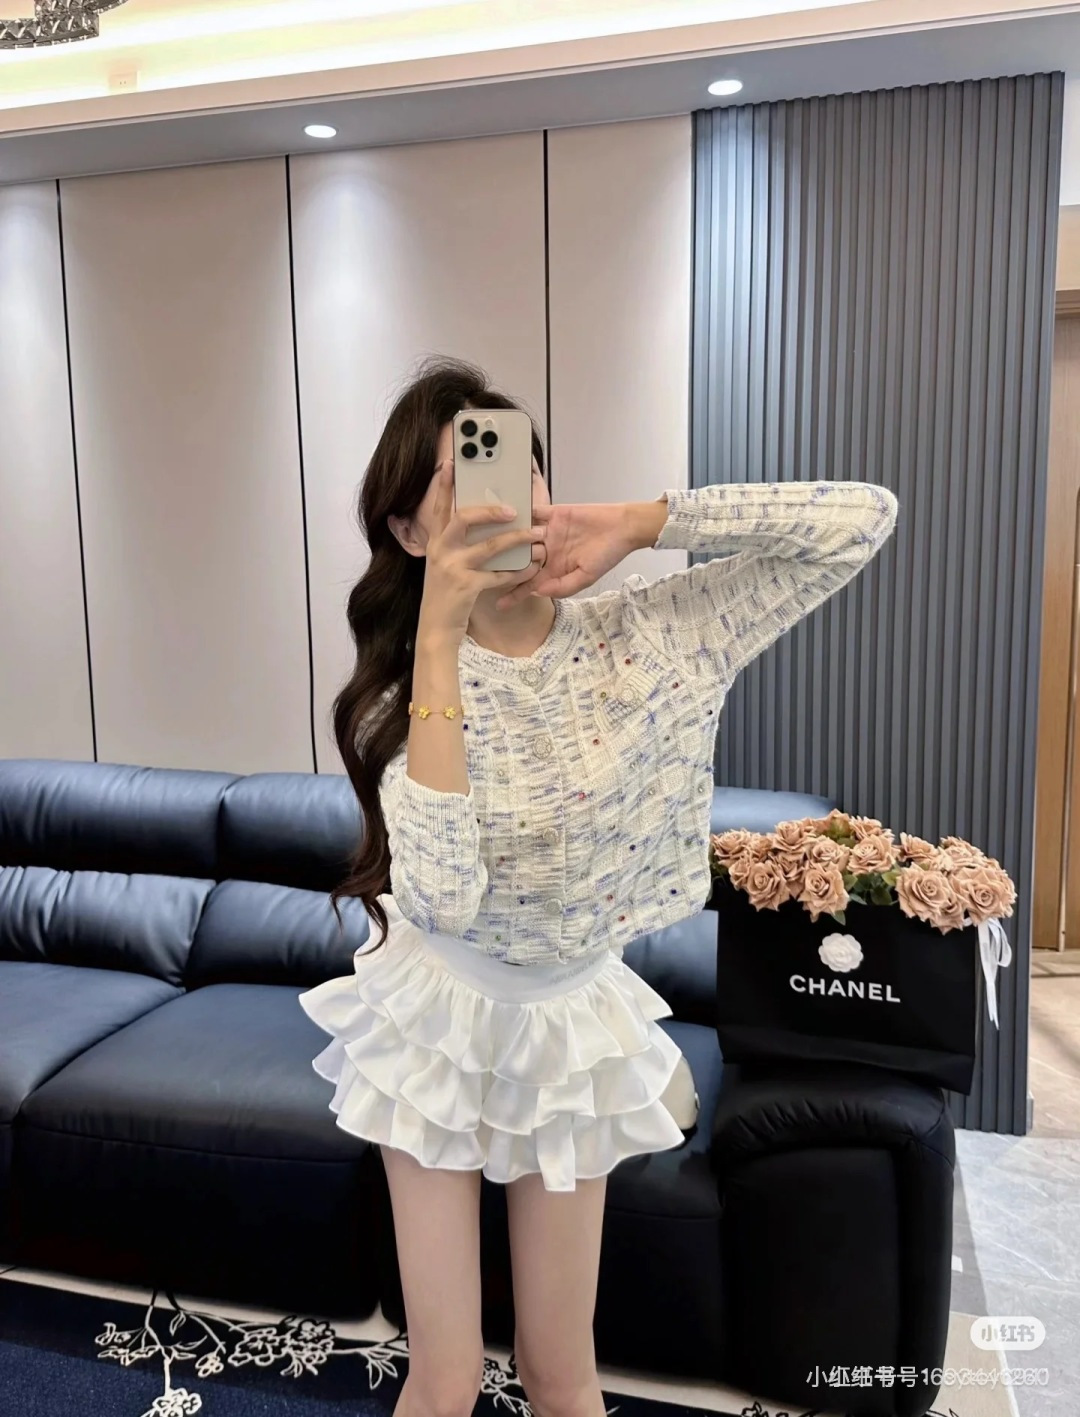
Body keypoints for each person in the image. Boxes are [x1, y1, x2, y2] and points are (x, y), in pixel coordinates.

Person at [299, 357, 898, 1417]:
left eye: (517, 466)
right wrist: (438, 636)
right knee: (444, 1374)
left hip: (569, 1018)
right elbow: (441, 895)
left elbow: (863, 519)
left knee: (560, 1368)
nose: (501, 497)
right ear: (407, 530)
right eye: (457, 480)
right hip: (436, 1016)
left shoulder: (652, 636)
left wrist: (643, 521)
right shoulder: (401, 698)